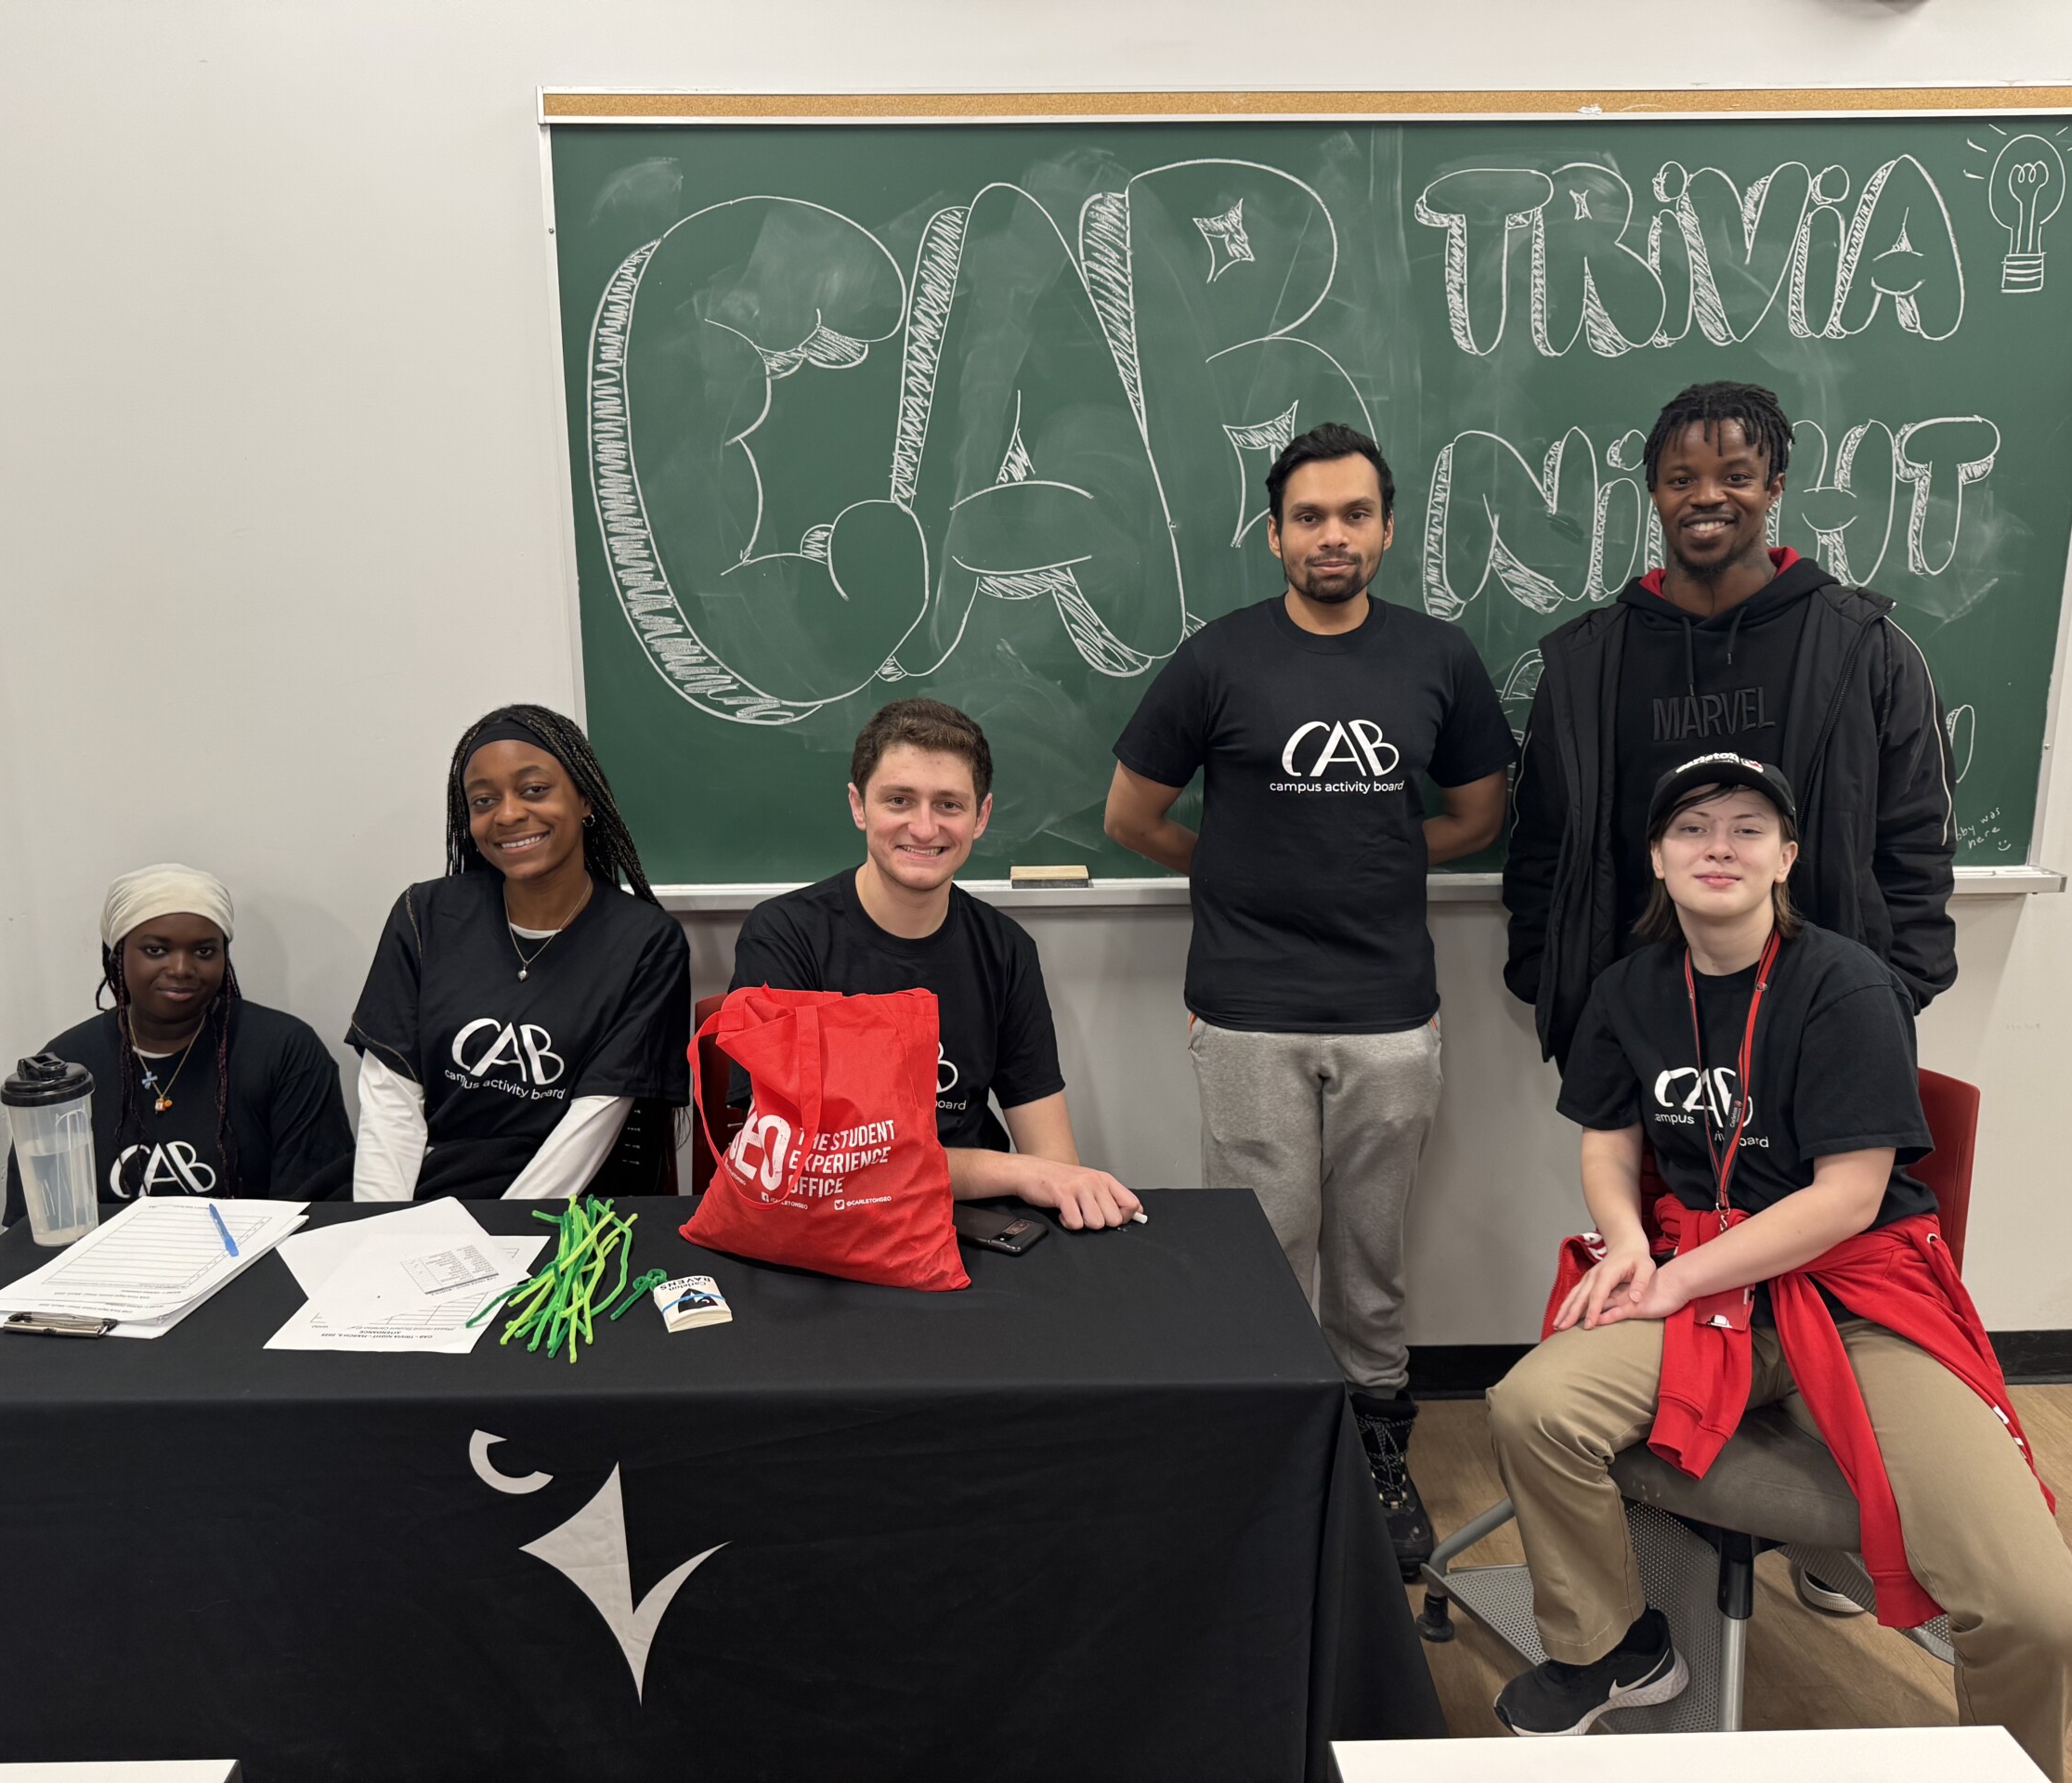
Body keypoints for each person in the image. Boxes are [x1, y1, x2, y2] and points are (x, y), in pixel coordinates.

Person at [1485, 754, 2072, 1772]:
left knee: (2035, 1614)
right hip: (1700, 1281)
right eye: (1691, 827)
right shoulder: (1628, 988)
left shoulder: (1847, 983)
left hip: (1852, 1289)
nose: (1717, 846)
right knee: (1531, 1407)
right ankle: (1615, 1651)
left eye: (1746, 827)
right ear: (1654, 857)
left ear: (1786, 858)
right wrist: (1632, 1245)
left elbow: (1847, 1197)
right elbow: (1606, 1140)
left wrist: (1674, 1279)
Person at [1103, 421, 1518, 1579]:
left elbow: (1479, 816)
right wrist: (1238, 870)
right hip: (1244, 1007)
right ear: (1274, 532)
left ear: (1385, 528)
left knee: (1372, 1251)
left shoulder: (1437, 658)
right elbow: (1132, 819)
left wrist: (1377, 861)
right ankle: (1273, 1449)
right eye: (1307, 518)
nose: (1330, 537)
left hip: (1391, 1006)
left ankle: (1378, 1451)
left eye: (1352, 515)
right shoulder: (1216, 659)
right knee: (1265, 1244)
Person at [1504, 380, 1959, 1066]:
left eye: (1736, 476)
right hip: (1634, 1027)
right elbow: (1542, 838)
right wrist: (1553, 979)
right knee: (1627, 1182)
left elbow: (1917, 834)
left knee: (1826, 1183)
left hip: (1819, 1025)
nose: (1708, 496)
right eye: (1681, 478)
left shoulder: (1863, 648)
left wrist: (1890, 989)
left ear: (1774, 487)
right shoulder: (1588, 662)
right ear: (1654, 492)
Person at [728, 698, 1140, 1231]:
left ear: (981, 817)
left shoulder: (1006, 949)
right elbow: (812, 1166)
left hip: (970, 1224)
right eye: (899, 800)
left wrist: (1043, 1178)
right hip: (831, 1229)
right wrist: (1014, 1172)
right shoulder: (784, 937)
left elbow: (1054, 1161)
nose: (924, 829)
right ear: (859, 806)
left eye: (949, 804)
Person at [347, 704, 691, 1201]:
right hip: (428, 1192)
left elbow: (592, 1124)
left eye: (534, 790)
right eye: (484, 801)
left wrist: (502, 1242)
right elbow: (391, 1097)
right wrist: (384, 1231)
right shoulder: (424, 915)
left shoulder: (645, 943)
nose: (507, 814)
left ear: (585, 799)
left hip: (567, 1208)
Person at [2, 863, 350, 1220]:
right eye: (156, 950)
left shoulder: (286, 1052)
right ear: (117, 957)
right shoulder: (67, 1067)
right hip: (101, 1273)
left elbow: (317, 1215)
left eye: (204, 951)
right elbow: (35, 1228)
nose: (182, 968)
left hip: (257, 1268)